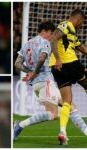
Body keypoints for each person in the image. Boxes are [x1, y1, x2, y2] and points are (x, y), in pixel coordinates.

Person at [14, 21, 87, 144]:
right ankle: (20, 125)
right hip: (45, 81)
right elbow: (42, 58)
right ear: (45, 31)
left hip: (37, 83)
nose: (52, 36)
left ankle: (82, 131)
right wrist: (35, 72)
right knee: (52, 114)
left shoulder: (27, 44)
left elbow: (17, 63)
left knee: (69, 105)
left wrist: (29, 72)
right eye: (51, 33)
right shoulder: (45, 42)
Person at [50, 9, 87, 145]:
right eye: (82, 21)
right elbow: (53, 38)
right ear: (78, 19)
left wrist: (57, 61)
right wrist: (58, 58)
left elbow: (81, 47)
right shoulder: (66, 25)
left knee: (67, 101)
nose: (82, 24)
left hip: (57, 68)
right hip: (68, 63)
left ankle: (62, 131)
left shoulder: (72, 34)